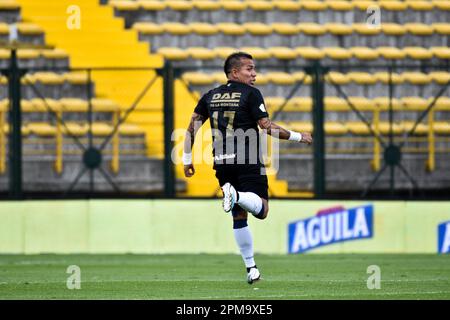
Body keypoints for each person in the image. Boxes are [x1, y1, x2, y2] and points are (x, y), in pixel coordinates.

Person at [182, 52, 313, 284]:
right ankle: (238, 195)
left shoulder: (210, 95)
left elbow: (191, 128)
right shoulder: (251, 94)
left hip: (221, 161)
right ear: (234, 72)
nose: (254, 74)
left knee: (239, 215)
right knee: (262, 210)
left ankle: (251, 268)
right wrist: (298, 136)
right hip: (248, 159)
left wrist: (186, 158)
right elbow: (266, 127)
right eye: (249, 69)